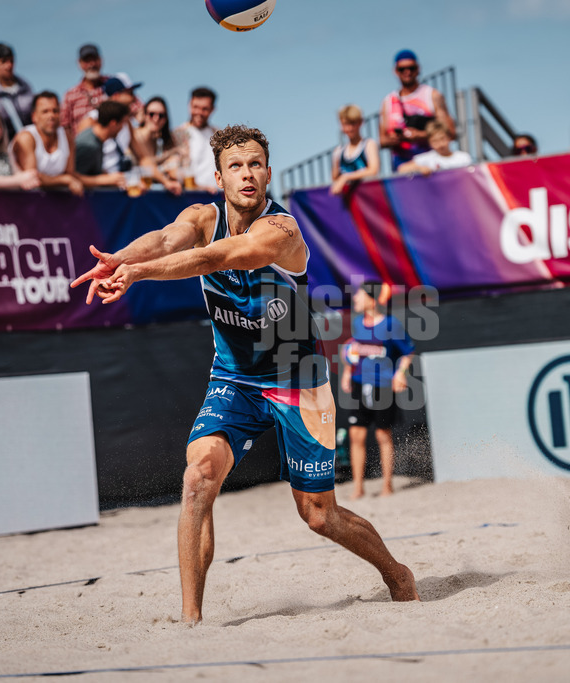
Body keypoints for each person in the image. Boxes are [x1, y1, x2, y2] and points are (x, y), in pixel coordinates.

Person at [69, 124, 420, 622]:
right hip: (234, 379)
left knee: (319, 516)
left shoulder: (282, 232)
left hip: (298, 380)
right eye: (236, 166)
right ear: (219, 176)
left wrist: (142, 273)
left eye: (255, 164)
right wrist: (120, 260)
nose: (247, 173)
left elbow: (221, 256)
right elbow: (168, 238)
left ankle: (395, 572)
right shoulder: (201, 216)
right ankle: (191, 619)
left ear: (269, 172)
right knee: (198, 478)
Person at [339, 282, 414, 499]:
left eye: (359, 296)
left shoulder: (391, 324)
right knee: (356, 436)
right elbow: (351, 348)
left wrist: (401, 373)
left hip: (382, 385)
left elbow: (407, 353)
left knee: (383, 435)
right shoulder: (357, 324)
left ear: (371, 299)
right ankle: (358, 488)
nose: (355, 300)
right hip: (359, 384)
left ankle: (387, 485)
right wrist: (346, 371)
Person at [379, 49, 456, 171]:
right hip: (401, 167)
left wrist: (419, 135)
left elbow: (450, 132)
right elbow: (382, 140)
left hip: (431, 167)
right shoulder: (388, 101)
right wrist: (396, 139)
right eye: (402, 69)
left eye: (411, 68)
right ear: (395, 71)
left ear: (418, 68)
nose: (407, 72)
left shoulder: (432, 95)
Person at [12, 91, 83, 195]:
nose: (51, 116)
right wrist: (65, 180)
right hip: (23, 202)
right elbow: (32, 178)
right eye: (45, 111)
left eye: (55, 111)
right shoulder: (26, 137)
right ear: (34, 117)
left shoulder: (67, 137)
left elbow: (70, 174)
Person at [73, 100, 132, 189]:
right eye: (122, 124)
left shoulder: (96, 139)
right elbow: (74, 177)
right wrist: (106, 180)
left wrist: (113, 178)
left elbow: (92, 172)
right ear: (113, 123)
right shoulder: (88, 146)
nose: (122, 129)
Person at [173, 87, 220, 192]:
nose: (199, 112)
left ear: (212, 109)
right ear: (189, 105)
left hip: (218, 197)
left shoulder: (219, 135)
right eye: (195, 107)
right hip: (190, 198)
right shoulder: (178, 134)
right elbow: (171, 171)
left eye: (204, 109)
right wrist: (201, 187)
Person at [133, 96, 184, 193]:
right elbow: (145, 163)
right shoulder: (134, 136)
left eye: (161, 115)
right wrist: (166, 181)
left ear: (165, 119)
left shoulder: (156, 142)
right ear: (144, 115)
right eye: (151, 114)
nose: (156, 119)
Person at [61, 43, 110, 137]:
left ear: (100, 61)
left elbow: (137, 110)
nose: (92, 64)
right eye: (87, 61)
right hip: (84, 148)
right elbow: (65, 127)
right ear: (80, 64)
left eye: (94, 60)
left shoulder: (113, 85)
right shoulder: (70, 95)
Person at [330, 104, 379, 195]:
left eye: (352, 124)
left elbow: (373, 170)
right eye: (345, 124)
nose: (349, 128)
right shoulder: (338, 151)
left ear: (360, 123)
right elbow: (334, 179)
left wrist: (346, 177)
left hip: (368, 198)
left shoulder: (368, 144)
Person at [396, 120, 472, 175]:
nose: (440, 144)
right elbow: (401, 169)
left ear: (449, 138)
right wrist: (420, 168)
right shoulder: (427, 158)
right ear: (430, 143)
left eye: (442, 139)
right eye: (435, 141)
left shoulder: (463, 157)